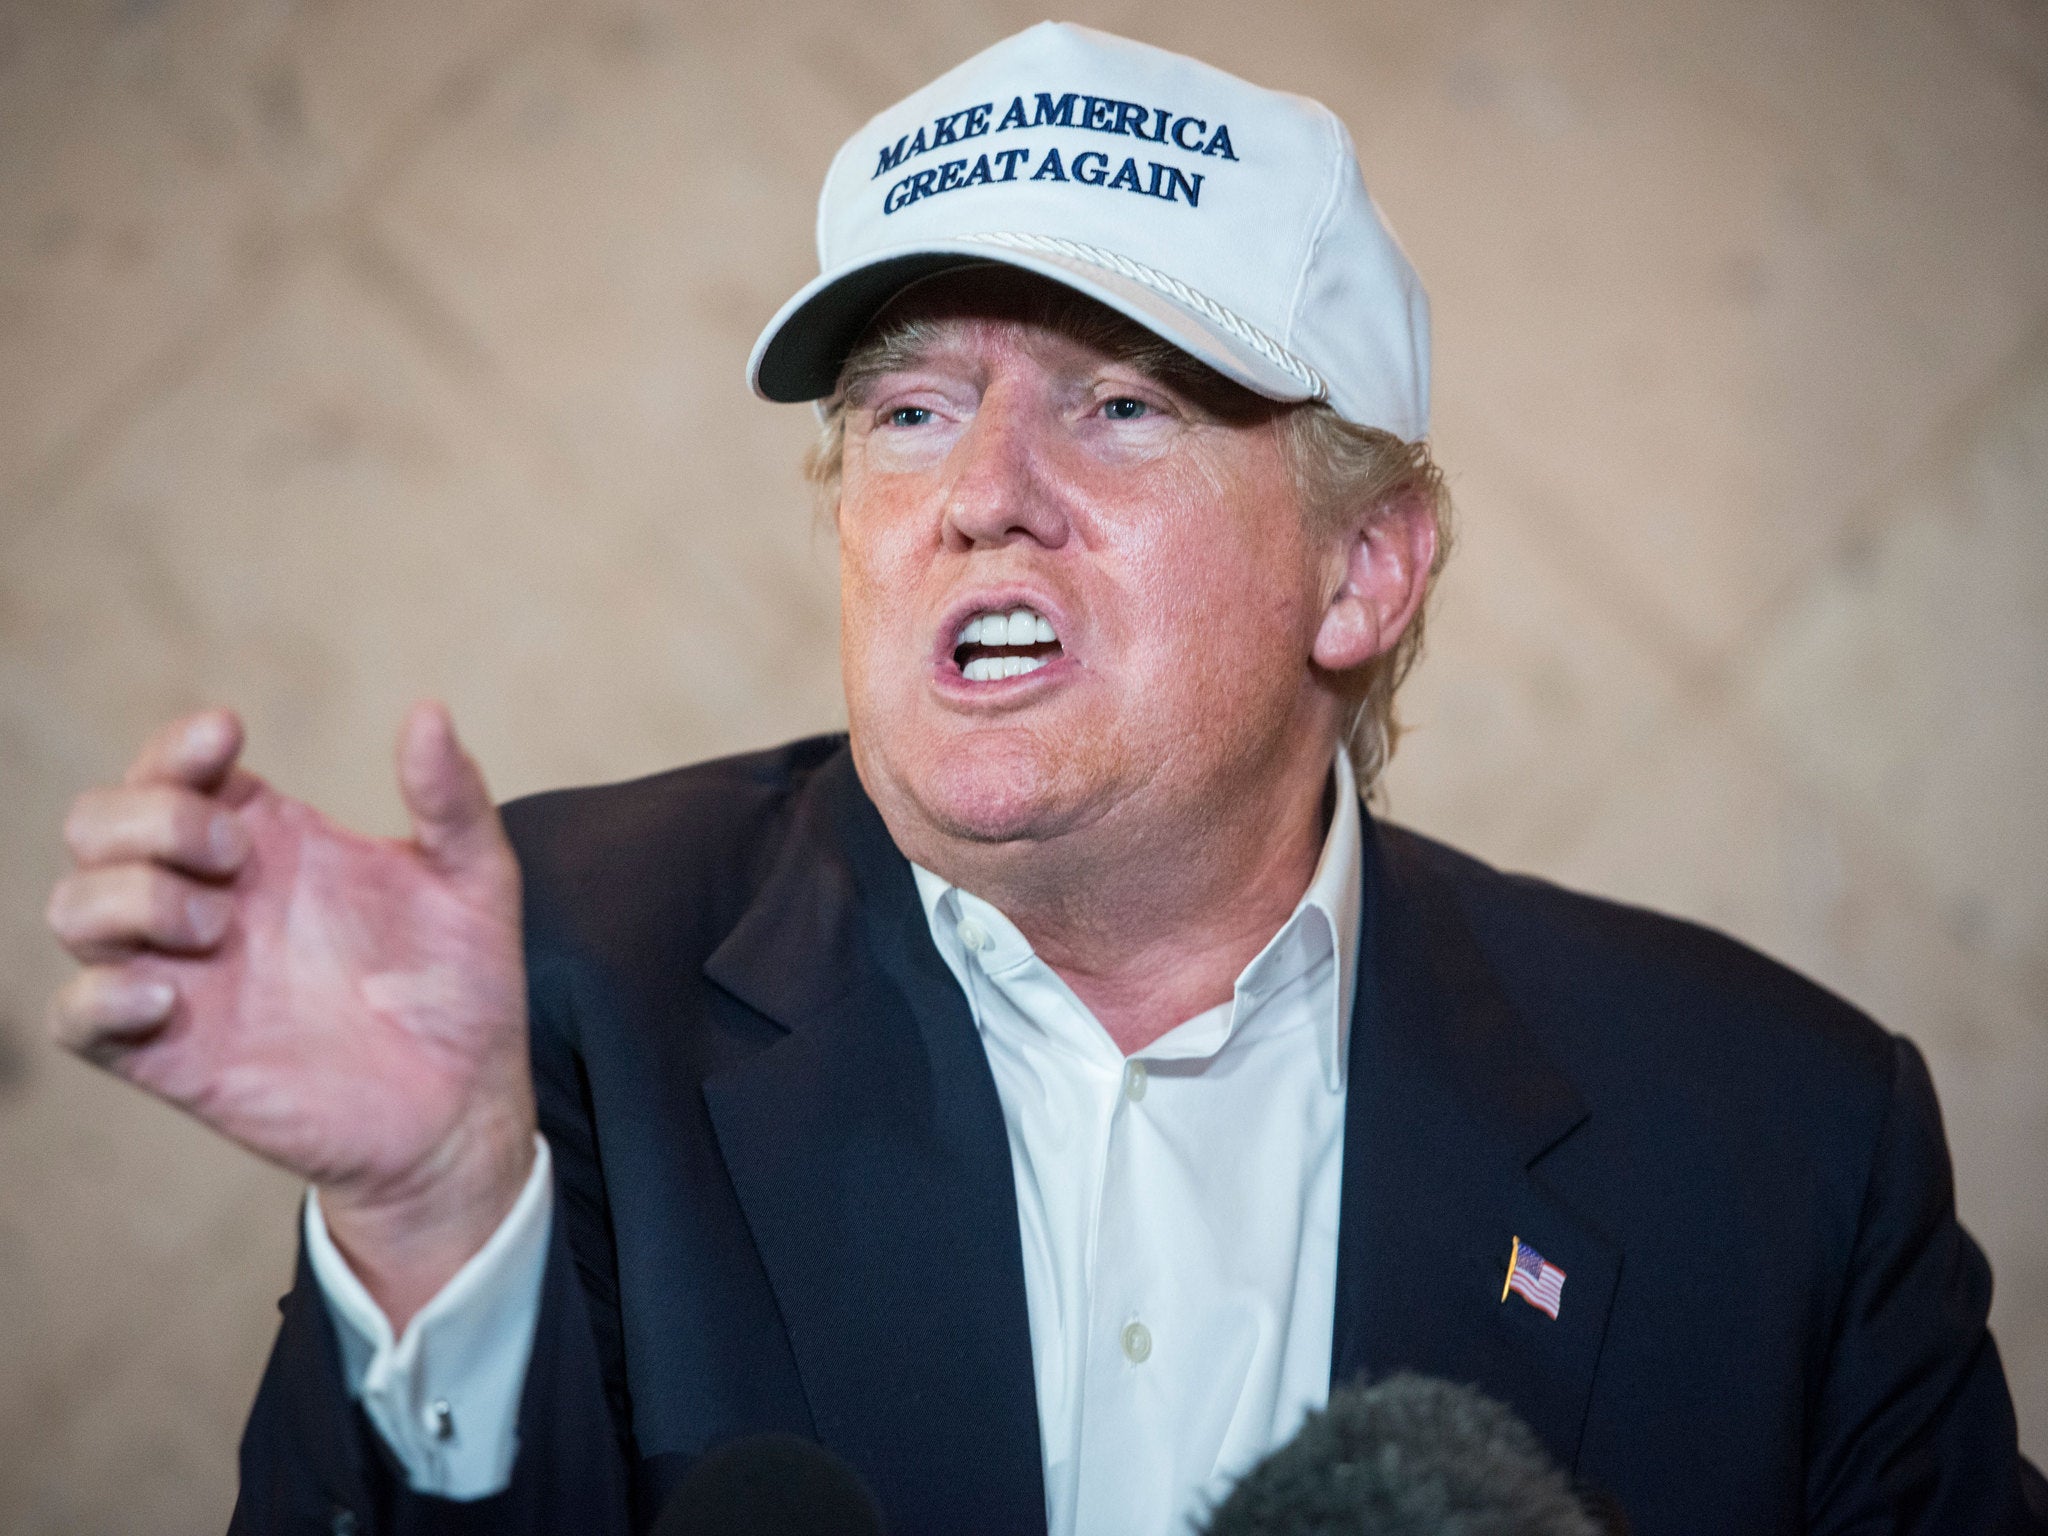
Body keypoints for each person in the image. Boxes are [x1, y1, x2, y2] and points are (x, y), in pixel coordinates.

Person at [41, 22, 2044, 1536]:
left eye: (1117, 404)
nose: (982, 497)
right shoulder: (545, 986)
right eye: (907, 409)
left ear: (1363, 567)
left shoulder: (1776, 1136)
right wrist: (428, 1218)